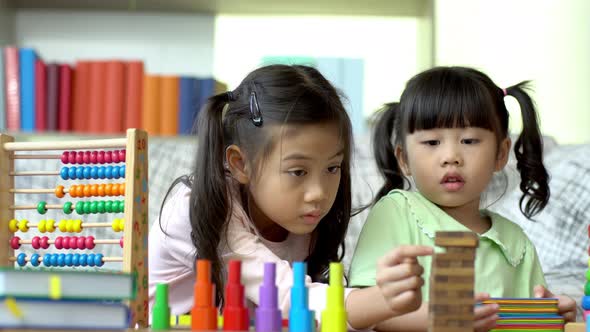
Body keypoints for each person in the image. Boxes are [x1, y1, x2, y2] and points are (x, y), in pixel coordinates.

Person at [148, 64, 433, 330]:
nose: (319, 193)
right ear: (240, 164)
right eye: (298, 171)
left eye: (332, 167)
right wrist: (381, 299)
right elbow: (283, 294)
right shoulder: (199, 207)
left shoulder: (295, 218)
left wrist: (441, 314)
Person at [349, 66, 576, 331]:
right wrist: (443, 319)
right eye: (432, 142)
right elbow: (367, 314)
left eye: (469, 141)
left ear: (501, 154)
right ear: (404, 159)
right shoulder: (396, 212)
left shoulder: (517, 244)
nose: (451, 156)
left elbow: (521, 321)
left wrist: (550, 314)